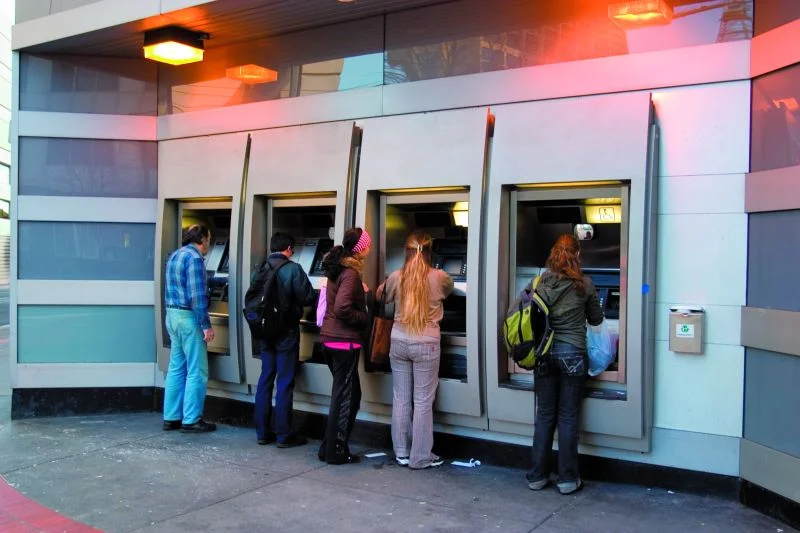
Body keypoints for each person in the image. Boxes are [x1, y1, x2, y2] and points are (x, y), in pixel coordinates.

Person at [525, 234, 604, 494]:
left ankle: (537, 476)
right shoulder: (584, 284)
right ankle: (568, 479)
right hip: (573, 355)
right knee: (568, 417)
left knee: (545, 415)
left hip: (544, 354)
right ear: (577, 254)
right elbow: (596, 319)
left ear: (553, 254)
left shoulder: (539, 282)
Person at [376, 231, 453, 469]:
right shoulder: (440, 277)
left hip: (399, 340)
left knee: (401, 398)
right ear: (430, 252)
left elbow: (380, 296)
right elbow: (450, 290)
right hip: (426, 343)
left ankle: (401, 452)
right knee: (422, 402)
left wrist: (389, 281)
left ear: (406, 252)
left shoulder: (397, 276)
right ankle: (420, 456)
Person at [253, 232, 316, 448]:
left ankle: (262, 432)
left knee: (265, 379)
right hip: (286, 332)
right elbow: (308, 297)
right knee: (285, 382)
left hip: (264, 331)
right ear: (288, 249)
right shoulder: (293, 269)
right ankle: (284, 435)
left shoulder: (260, 268)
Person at [318, 227, 372, 465]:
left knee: (348, 395)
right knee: (345, 399)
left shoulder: (338, 269)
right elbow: (342, 308)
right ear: (361, 248)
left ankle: (328, 448)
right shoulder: (350, 273)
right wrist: (363, 317)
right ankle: (336, 452)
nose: (369, 246)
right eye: (367, 243)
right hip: (343, 342)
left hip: (331, 339)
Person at [162, 224, 217, 433]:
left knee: (176, 368)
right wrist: (206, 325)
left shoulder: (175, 255)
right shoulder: (194, 258)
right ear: (201, 239)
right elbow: (197, 296)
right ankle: (192, 419)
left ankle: (171, 417)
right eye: (208, 239)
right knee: (197, 370)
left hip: (172, 315)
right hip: (188, 318)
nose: (209, 243)